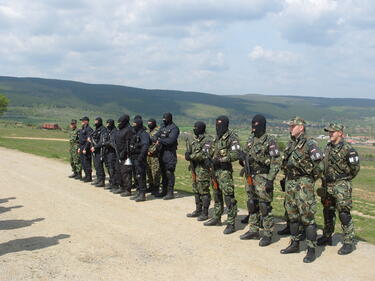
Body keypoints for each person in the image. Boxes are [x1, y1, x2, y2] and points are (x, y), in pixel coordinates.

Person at [279, 116, 323, 263]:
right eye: (290, 126)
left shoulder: (310, 144)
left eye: (293, 126)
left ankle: (311, 250)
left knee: (307, 218)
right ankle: (295, 244)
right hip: (290, 183)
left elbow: (319, 167)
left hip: (304, 184)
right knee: (292, 215)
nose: (290, 128)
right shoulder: (291, 145)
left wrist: (308, 180)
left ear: (301, 127)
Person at [316, 123, 360, 255]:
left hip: (341, 184)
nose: (330, 134)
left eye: (332, 132)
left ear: (340, 133)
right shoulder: (328, 147)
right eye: (329, 132)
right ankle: (327, 235)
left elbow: (355, 169)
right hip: (327, 184)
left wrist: (344, 180)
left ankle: (348, 242)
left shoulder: (348, 149)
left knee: (344, 213)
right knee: (328, 211)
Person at [238, 114, 281, 246]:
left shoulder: (270, 141)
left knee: (264, 206)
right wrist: (242, 157)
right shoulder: (251, 138)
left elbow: (276, 162)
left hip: (263, 177)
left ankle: (268, 234)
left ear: (262, 125)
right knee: (252, 203)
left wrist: (270, 179)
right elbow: (246, 154)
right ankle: (254, 229)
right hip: (250, 176)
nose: (254, 127)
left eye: (256, 124)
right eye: (252, 124)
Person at [203, 115, 240, 235]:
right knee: (217, 195)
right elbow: (209, 151)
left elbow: (236, 154)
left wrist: (221, 160)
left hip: (224, 171)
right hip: (214, 171)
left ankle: (231, 223)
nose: (218, 127)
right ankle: (216, 217)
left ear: (226, 125)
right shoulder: (215, 138)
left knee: (229, 197)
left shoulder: (232, 138)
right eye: (216, 124)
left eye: (220, 125)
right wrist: (208, 159)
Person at [185, 121, 213, 221]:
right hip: (194, 168)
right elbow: (189, 149)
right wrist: (187, 153)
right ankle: (198, 210)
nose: (194, 129)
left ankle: (205, 212)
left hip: (203, 169)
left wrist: (191, 156)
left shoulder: (208, 139)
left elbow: (204, 154)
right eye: (194, 128)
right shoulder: (193, 138)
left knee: (204, 190)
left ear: (202, 129)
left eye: (196, 128)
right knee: (196, 189)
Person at [152, 112, 180, 200]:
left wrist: (160, 140)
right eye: (163, 119)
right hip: (161, 153)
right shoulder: (162, 127)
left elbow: (171, 141)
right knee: (163, 172)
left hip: (170, 153)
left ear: (170, 118)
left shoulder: (174, 128)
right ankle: (164, 191)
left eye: (166, 119)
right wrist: (159, 139)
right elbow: (154, 136)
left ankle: (170, 192)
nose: (164, 120)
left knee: (169, 172)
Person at [112, 114, 135, 196]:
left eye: (120, 122)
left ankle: (128, 190)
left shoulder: (129, 130)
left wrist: (124, 152)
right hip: (118, 154)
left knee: (126, 172)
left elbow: (128, 143)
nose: (119, 123)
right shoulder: (119, 130)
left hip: (126, 155)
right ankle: (121, 187)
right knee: (118, 171)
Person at [129, 117, 150, 202]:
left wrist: (141, 157)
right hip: (134, 157)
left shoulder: (143, 134)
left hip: (139, 158)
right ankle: (138, 192)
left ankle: (142, 194)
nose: (133, 126)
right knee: (136, 175)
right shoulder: (136, 133)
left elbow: (145, 146)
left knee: (141, 175)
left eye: (135, 124)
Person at [89, 117, 107, 187]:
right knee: (96, 165)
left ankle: (102, 181)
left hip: (100, 151)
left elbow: (102, 141)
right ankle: (98, 179)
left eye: (96, 121)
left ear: (99, 121)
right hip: (95, 151)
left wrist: (95, 147)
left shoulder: (103, 129)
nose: (95, 122)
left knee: (99, 166)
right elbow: (93, 137)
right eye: (95, 121)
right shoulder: (96, 129)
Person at [102, 119, 118, 190]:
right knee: (108, 167)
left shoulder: (114, 131)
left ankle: (114, 184)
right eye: (106, 124)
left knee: (112, 168)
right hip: (107, 152)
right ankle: (111, 181)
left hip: (112, 152)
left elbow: (112, 142)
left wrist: (106, 143)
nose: (107, 125)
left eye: (108, 124)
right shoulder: (108, 131)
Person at [146, 118, 161, 196]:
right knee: (148, 170)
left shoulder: (158, 131)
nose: (149, 124)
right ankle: (150, 186)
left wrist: (151, 151)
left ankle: (156, 188)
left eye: (150, 123)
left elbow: (158, 143)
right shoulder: (147, 131)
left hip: (155, 155)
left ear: (154, 123)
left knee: (155, 171)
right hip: (147, 154)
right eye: (148, 123)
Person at [78, 116, 93, 182]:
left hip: (85, 147)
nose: (82, 122)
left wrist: (85, 148)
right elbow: (80, 139)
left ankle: (89, 177)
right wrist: (79, 148)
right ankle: (86, 175)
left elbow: (88, 140)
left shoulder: (89, 129)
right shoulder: (82, 129)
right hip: (81, 147)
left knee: (87, 162)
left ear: (86, 121)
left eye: (83, 121)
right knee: (83, 162)